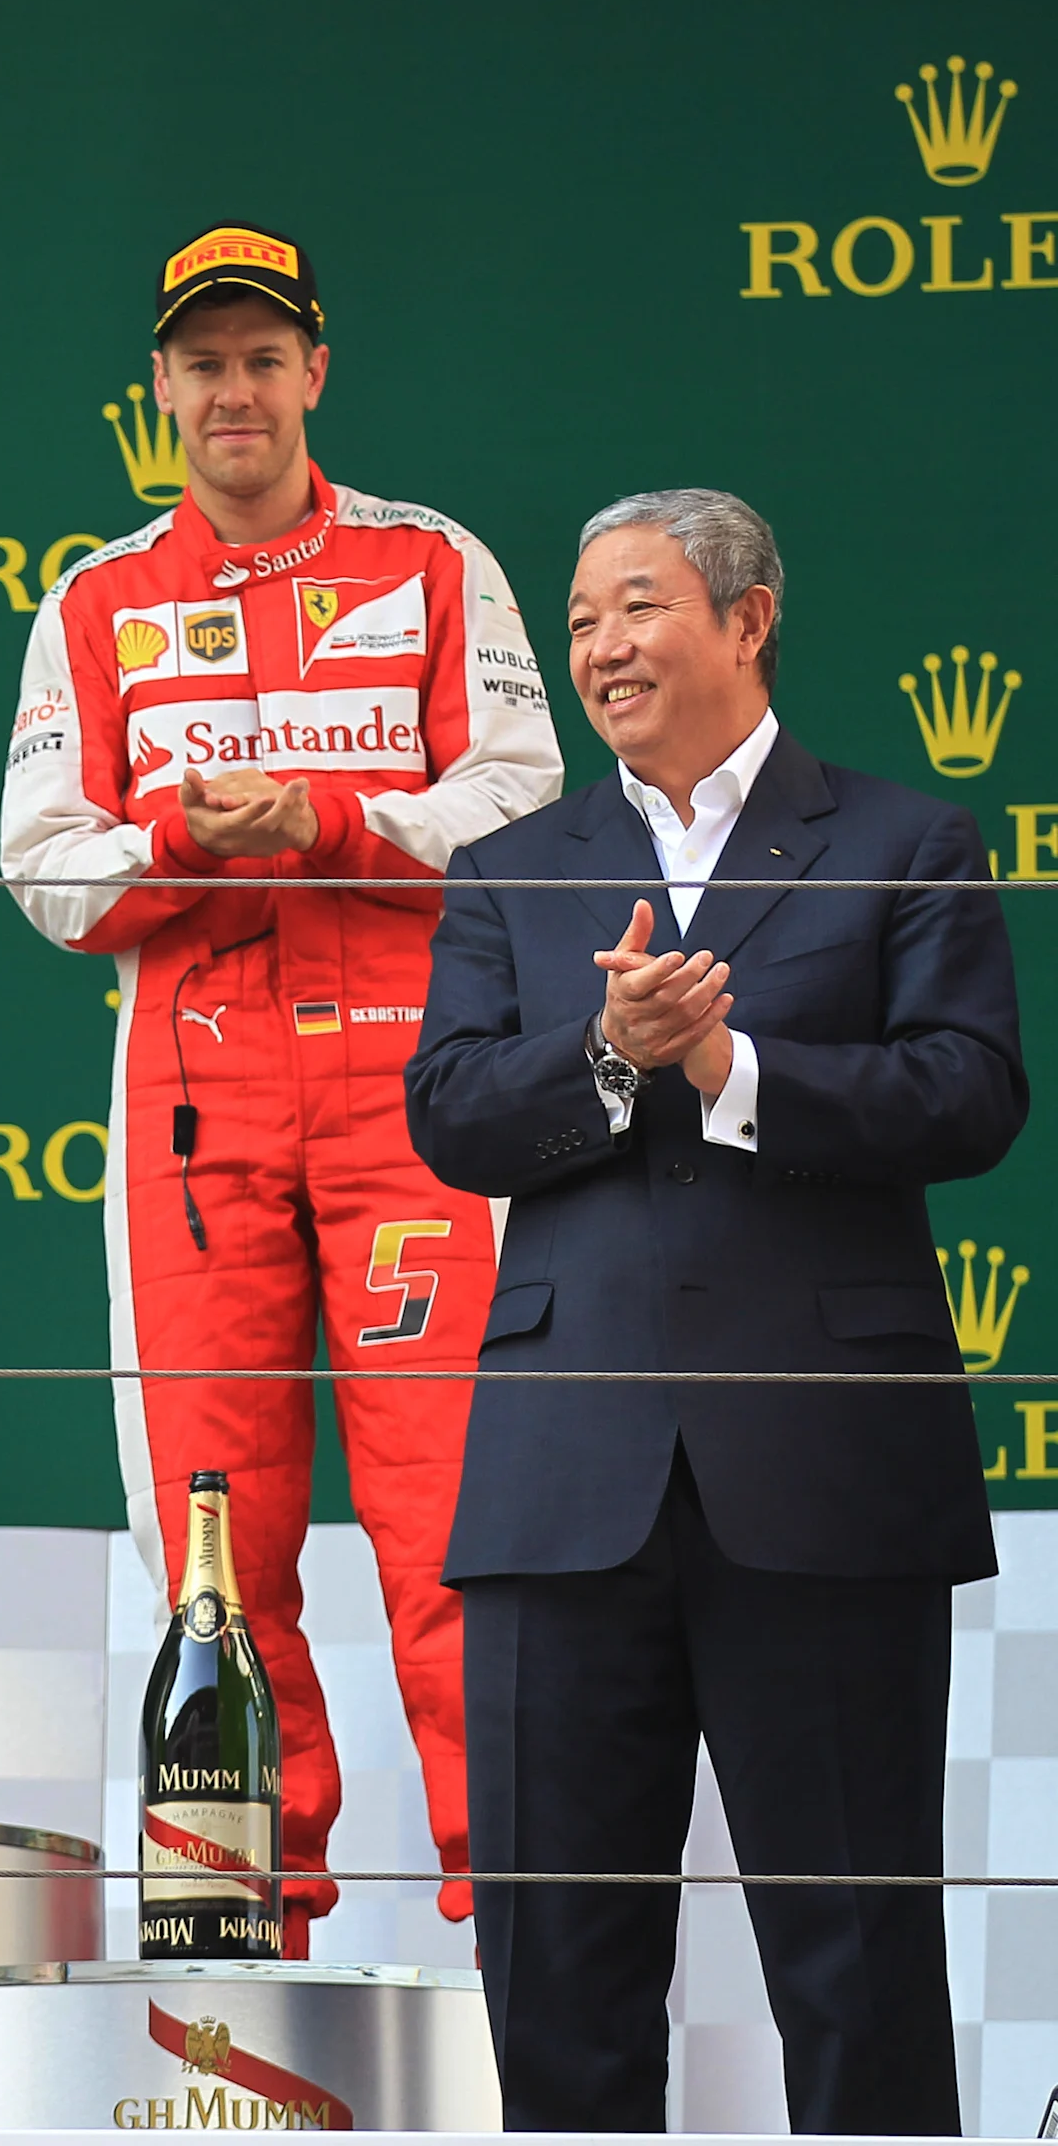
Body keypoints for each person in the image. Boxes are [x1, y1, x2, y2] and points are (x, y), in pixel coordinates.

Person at [405, 489, 1019, 2131]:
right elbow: (452, 1116)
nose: (600, 647)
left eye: (639, 607)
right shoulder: (517, 867)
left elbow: (970, 1098)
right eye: (583, 617)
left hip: (824, 1479)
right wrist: (607, 1050)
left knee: (856, 1959)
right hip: (562, 1486)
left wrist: (732, 1069)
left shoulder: (905, 841)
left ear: (748, 621)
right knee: (562, 1965)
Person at [0, 222, 562, 1949]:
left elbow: (533, 813)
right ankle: (235, 1931)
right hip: (196, 1112)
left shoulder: (432, 559)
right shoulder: (94, 598)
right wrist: (180, 835)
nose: (232, 390)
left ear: (315, 374)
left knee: (461, 1526)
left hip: (417, 1102)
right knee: (214, 1548)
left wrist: (340, 823)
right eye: (200, 362)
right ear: (159, 389)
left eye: (263, 358)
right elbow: (45, 870)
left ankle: (528, 1922)